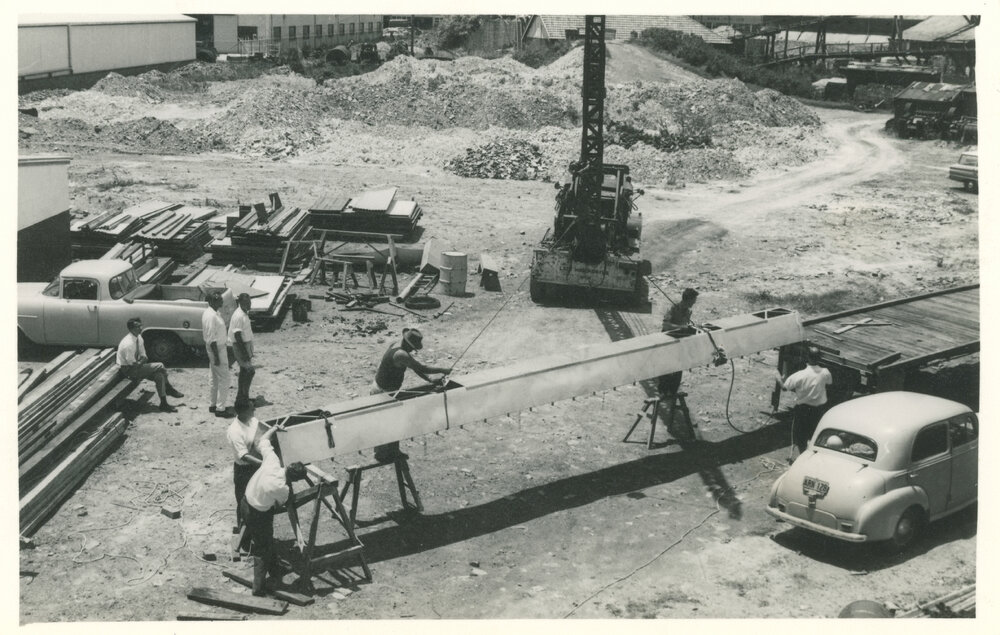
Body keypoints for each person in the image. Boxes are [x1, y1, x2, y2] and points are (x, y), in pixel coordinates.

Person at [241, 428, 306, 596]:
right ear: (294, 480)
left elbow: (262, 440)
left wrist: (275, 428)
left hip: (245, 502)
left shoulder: (272, 460)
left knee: (266, 540)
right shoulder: (282, 488)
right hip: (258, 514)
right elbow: (283, 503)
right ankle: (259, 587)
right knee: (262, 547)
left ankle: (275, 569)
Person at [370, 328, 451, 461]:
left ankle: (391, 451)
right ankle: (385, 454)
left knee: (392, 421)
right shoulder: (401, 355)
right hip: (384, 392)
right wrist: (443, 370)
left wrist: (430, 380)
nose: (413, 351)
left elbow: (414, 367)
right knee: (389, 423)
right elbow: (421, 368)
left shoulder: (397, 345)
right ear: (409, 344)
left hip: (383, 388)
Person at [116, 317, 184, 412]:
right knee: (160, 365)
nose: (140, 328)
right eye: (137, 327)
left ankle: (164, 403)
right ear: (131, 329)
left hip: (137, 366)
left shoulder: (138, 338)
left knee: (159, 376)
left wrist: (142, 361)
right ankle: (169, 388)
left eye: (141, 325)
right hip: (128, 370)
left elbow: (144, 356)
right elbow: (133, 364)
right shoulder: (128, 343)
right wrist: (142, 361)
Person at [227, 396, 265, 552]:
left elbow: (262, 430)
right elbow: (244, 456)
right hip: (244, 470)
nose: (254, 410)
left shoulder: (252, 420)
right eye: (251, 408)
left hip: (256, 467)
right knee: (244, 504)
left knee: (258, 500)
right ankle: (245, 541)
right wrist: (265, 464)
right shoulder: (234, 431)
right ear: (242, 412)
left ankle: (256, 533)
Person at [779, 347, 833, 454]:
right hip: (819, 409)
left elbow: (785, 387)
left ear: (807, 358)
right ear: (819, 359)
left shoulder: (800, 375)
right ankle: (812, 455)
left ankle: (802, 454)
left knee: (801, 435)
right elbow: (829, 382)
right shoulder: (825, 372)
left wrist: (778, 378)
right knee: (815, 434)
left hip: (803, 409)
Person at [657, 288, 699, 399]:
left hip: (680, 340)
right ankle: (663, 391)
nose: (694, 303)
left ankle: (673, 391)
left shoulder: (689, 311)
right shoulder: (673, 308)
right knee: (666, 366)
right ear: (688, 299)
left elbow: (686, 326)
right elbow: (665, 325)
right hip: (667, 340)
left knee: (679, 366)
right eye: (693, 300)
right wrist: (681, 327)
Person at [202, 292, 230, 417]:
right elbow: (211, 339)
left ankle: (213, 404)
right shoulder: (211, 316)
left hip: (216, 348)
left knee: (214, 378)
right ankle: (220, 408)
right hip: (216, 349)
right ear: (212, 301)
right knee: (225, 378)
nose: (222, 302)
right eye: (219, 300)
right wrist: (217, 357)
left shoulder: (213, 312)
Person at [229, 293, 256, 404]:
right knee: (250, 371)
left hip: (246, 344)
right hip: (241, 346)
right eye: (246, 303)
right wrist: (244, 353)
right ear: (240, 303)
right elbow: (237, 336)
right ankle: (241, 398)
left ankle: (244, 396)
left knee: (244, 371)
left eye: (250, 303)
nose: (249, 305)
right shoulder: (238, 316)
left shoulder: (244, 312)